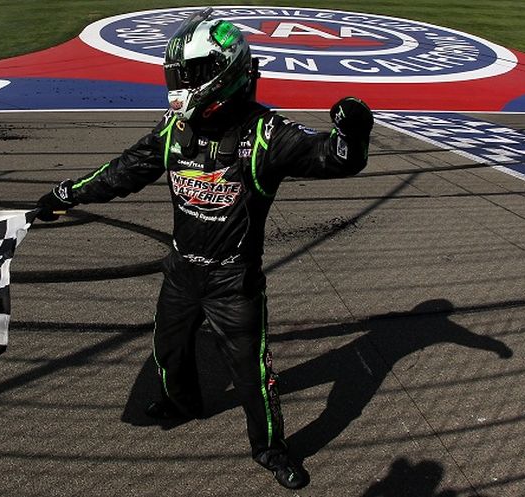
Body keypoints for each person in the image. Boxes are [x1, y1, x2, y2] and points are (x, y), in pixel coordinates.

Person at [35, 7, 373, 490]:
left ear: (224, 73)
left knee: (253, 373)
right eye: (176, 74)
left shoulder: (265, 134)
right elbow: (122, 172)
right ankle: (182, 402)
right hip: (181, 273)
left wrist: (354, 136)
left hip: (233, 282)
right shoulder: (175, 130)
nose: (178, 84)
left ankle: (271, 449)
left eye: (188, 74)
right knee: (167, 352)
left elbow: (333, 159)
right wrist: (65, 194)